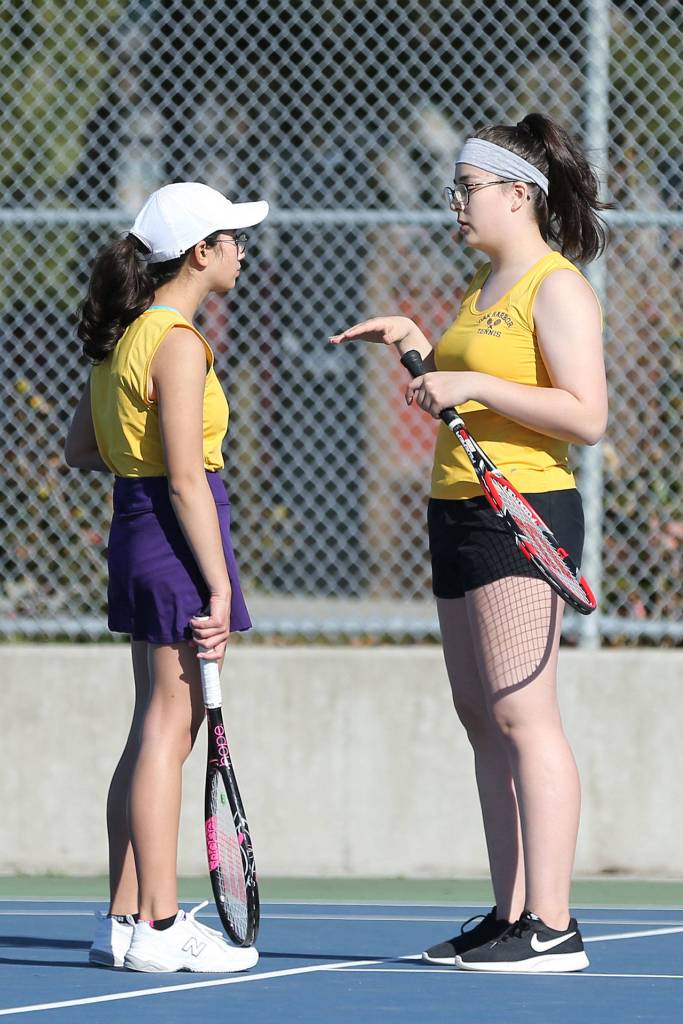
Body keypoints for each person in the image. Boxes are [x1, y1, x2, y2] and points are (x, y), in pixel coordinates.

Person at [330, 113, 608, 973]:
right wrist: (419, 351)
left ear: (518, 195)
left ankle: (553, 925)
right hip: (456, 507)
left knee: (526, 714)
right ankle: (511, 910)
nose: (454, 201)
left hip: (522, 508)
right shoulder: (480, 287)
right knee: (480, 716)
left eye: (469, 188)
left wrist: (474, 379)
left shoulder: (554, 286)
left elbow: (586, 416)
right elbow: (463, 406)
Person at [65, 182, 268, 973]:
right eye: (231, 237)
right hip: (178, 535)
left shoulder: (123, 337)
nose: (242, 250)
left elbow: (84, 449)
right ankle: (155, 924)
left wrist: (135, 449)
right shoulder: (178, 342)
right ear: (199, 254)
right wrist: (216, 586)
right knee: (164, 730)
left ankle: (120, 917)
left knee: (154, 725)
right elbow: (187, 478)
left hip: (136, 528)